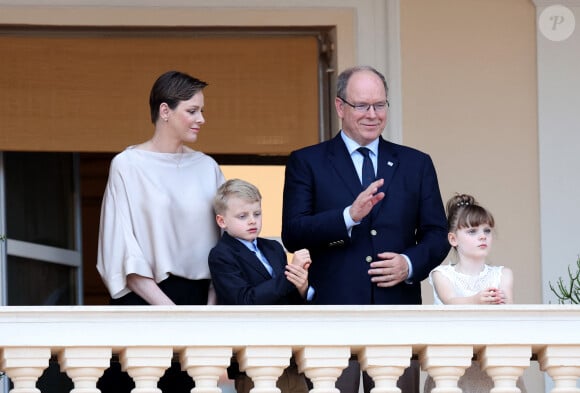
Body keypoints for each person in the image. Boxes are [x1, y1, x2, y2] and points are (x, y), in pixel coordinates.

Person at [281, 65, 450, 393]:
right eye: (362, 106)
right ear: (340, 107)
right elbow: (294, 232)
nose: (372, 115)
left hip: (397, 312)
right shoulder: (308, 162)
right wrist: (347, 216)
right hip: (332, 312)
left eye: (380, 105)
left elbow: (437, 234)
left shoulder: (416, 163)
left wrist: (409, 264)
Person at [96, 70, 225, 393]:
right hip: (144, 304)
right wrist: (170, 313)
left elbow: (226, 244)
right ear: (165, 111)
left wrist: (209, 307)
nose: (201, 119)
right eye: (192, 111)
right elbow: (121, 247)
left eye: (202, 111)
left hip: (199, 306)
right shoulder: (127, 165)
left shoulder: (207, 167)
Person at [208, 178, 312, 393]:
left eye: (257, 214)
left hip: (290, 352)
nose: (252, 221)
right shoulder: (221, 254)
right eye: (242, 216)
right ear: (222, 221)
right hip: (254, 357)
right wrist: (289, 276)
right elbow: (244, 300)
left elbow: (289, 298)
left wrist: (301, 286)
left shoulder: (273, 248)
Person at [424, 193, 526, 393]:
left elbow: (510, 313)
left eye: (487, 230)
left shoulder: (503, 274)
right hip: (452, 367)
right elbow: (450, 301)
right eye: (472, 231)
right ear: (453, 239)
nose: (482, 236)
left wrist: (501, 302)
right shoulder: (441, 274)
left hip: (494, 367)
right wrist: (477, 300)